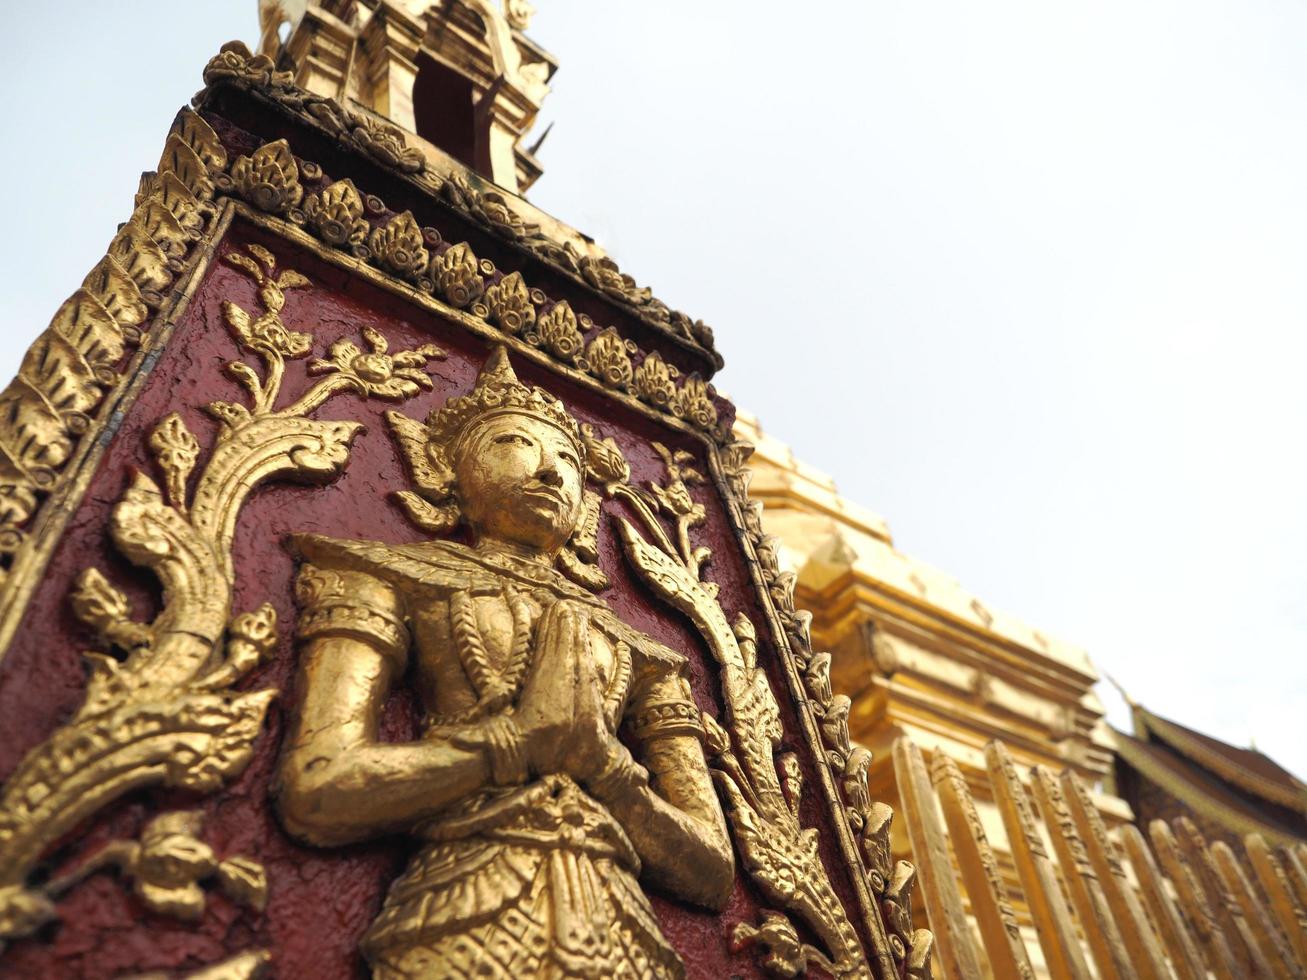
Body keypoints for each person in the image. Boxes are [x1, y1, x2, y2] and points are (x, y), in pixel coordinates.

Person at [277, 346, 734, 979]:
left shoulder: (644, 653)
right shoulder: (388, 579)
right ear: (444, 469)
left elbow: (711, 869)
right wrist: (513, 745)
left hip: (622, 929)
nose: (552, 474)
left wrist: (600, 765)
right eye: (515, 444)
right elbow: (319, 785)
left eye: (570, 462)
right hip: (462, 904)